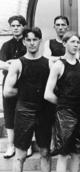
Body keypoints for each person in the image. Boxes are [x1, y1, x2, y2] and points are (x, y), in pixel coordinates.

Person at [4, 27, 56, 172]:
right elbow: (7, 90)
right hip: (24, 111)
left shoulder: (48, 63)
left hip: (44, 112)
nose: (32, 43)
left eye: (35, 39)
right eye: (29, 40)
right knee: (20, 155)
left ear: (40, 41)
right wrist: (26, 91)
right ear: (24, 41)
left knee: (45, 152)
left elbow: (54, 87)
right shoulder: (18, 63)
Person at [44, 31, 80, 172]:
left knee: (78, 153)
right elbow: (48, 94)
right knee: (64, 154)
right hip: (65, 114)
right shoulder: (58, 65)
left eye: (78, 42)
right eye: (72, 42)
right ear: (65, 44)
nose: (76, 45)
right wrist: (63, 106)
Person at [0, 15, 33, 159]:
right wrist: (17, 64)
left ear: (24, 26)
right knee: (9, 112)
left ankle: (27, 144)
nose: (15, 28)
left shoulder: (28, 43)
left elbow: (30, 63)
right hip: (9, 83)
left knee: (26, 112)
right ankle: (11, 145)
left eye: (18, 25)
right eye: (13, 26)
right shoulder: (6, 45)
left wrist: (13, 63)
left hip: (25, 82)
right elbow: (1, 63)